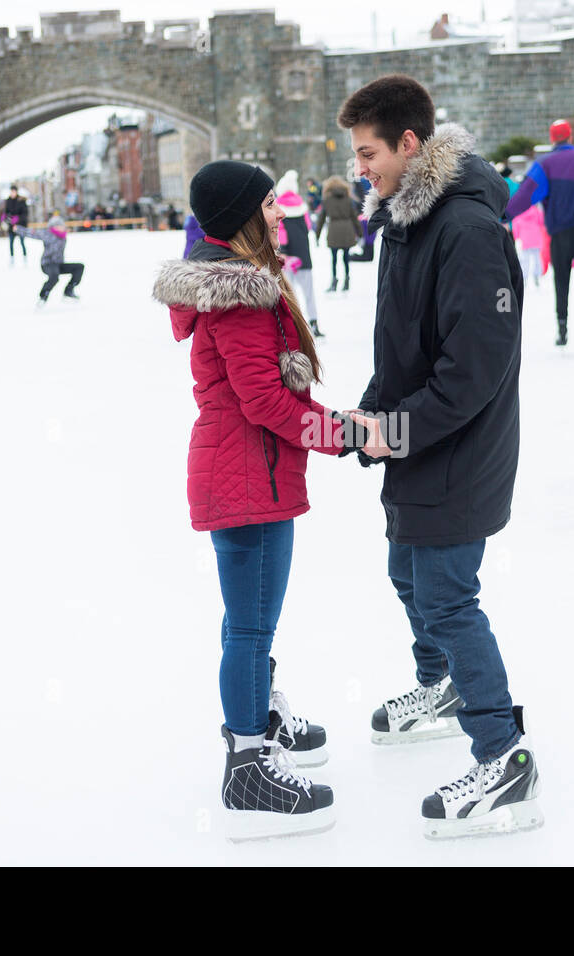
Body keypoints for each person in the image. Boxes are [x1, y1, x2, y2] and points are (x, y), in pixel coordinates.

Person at [338, 73, 541, 840]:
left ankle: (504, 755)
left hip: (458, 449)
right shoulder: (407, 220)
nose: (362, 166)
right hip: (420, 445)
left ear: (410, 144)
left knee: (449, 595)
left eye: (369, 153)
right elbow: (407, 350)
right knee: (407, 575)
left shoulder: (463, 229)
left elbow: (472, 371)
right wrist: (369, 412)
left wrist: (390, 430)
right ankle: (443, 685)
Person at [152, 159, 363, 841]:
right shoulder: (242, 297)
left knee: (249, 625)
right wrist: (347, 436)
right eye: (270, 204)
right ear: (243, 217)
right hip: (248, 480)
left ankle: (260, 715)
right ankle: (247, 765)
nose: (281, 213)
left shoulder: (244, 286)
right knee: (249, 629)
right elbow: (267, 401)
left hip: (249, 474)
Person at [506, 118, 574, 347]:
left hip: (560, 233)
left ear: (552, 138)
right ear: (571, 136)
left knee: (561, 279)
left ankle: (562, 327)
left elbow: (527, 194)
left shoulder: (546, 164)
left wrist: (505, 214)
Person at [275, 169, 322, 338]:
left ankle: (292, 324)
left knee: (289, 293)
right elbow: (308, 227)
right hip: (304, 255)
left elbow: (280, 232)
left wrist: (284, 252)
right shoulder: (302, 206)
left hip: (287, 257)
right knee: (309, 292)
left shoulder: (278, 206)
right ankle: (314, 322)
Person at [14, 214, 83, 303]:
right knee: (54, 276)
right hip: (47, 264)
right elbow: (32, 233)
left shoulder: (63, 235)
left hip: (59, 264)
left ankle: (68, 291)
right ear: (53, 226)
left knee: (79, 267)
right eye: (59, 225)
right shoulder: (47, 234)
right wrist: (18, 229)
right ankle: (43, 296)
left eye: (62, 225)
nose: (62, 227)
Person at [314, 176, 360, 292]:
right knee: (346, 257)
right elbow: (354, 216)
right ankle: (347, 281)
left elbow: (321, 219)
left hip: (334, 230)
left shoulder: (326, 200)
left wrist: (317, 235)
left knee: (334, 258)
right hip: (347, 230)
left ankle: (334, 281)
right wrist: (360, 232)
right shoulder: (348, 199)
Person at [511, 201, 548, 289]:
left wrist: (516, 236)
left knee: (525, 260)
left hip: (525, 240)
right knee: (537, 259)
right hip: (536, 239)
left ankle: (524, 277)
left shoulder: (519, 213)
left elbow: (515, 225)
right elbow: (542, 221)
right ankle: (537, 275)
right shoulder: (536, 211)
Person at [1, 186, 29, 264]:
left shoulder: (21, 201)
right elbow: (6, 212)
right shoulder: (8, 201)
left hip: (20, 225)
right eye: (11, 191)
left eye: (14, 191)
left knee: (22, 242)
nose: (12, 193)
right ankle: (12, 258)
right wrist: (5, 218)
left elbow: (25, 213)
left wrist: (18, 219)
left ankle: (25, 257)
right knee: (11, 242)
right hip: (11, 225)